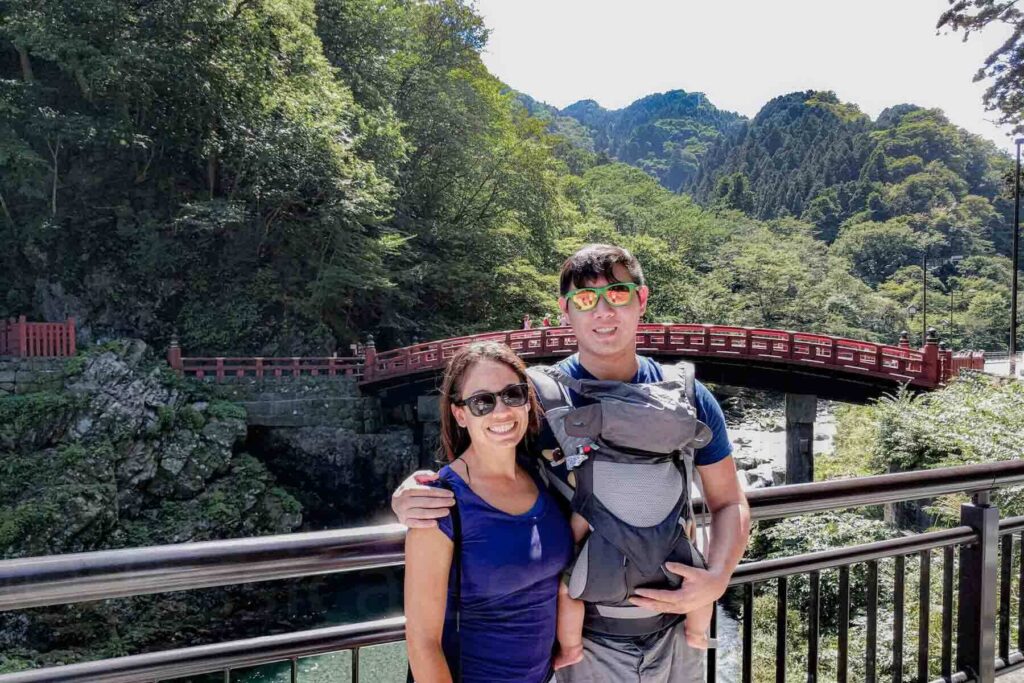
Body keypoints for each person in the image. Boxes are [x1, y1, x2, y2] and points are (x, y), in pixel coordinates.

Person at [395, 244, 751, 682]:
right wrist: (413, 494)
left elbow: (729, 501)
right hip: (582, 640)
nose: (604, 312)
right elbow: (485, 467)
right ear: (566, 311)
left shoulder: (689, 395)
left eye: (618, 294)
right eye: (585, 300)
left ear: (641, 299)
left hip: (676, 631)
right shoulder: (541, 401)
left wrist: (716, 579)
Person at [404, 341, 573, 683]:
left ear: (528, 401)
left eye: (513, 394)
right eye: (482, 401)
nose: (501, 412)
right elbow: (423, 643)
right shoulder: (441, 502)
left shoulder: (543, 477)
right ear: (460, 414)